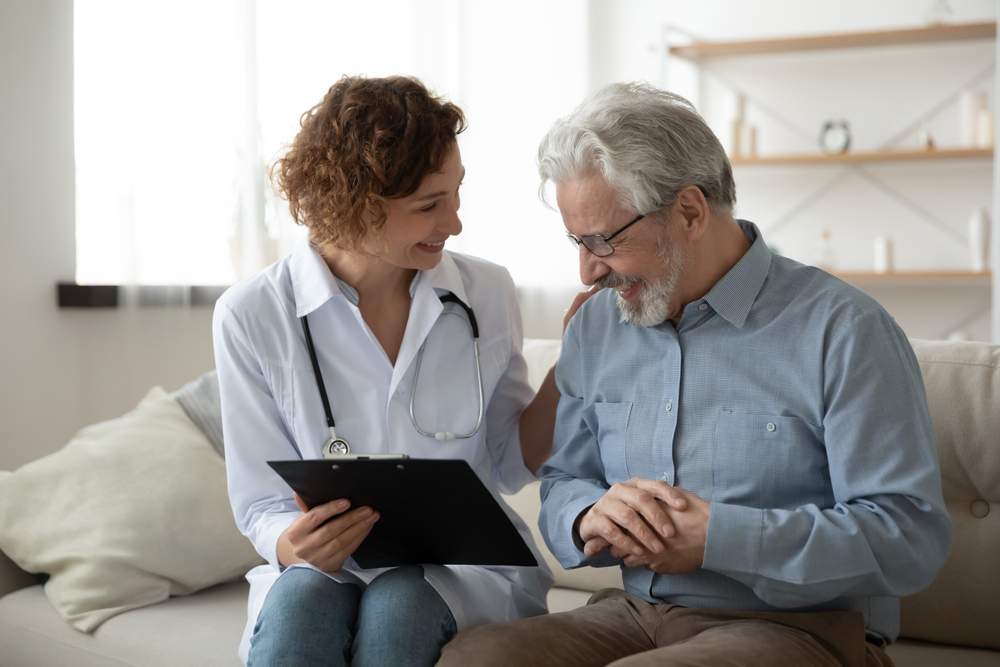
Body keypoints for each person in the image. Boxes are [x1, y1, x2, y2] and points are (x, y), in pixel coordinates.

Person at [436, 82, 953, 667]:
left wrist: (721, 538)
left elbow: (911, 538)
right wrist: (588, 515)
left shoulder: (845, 330)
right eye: (577, 241)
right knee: (470, 659)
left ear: (688, 211)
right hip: (633, 614)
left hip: (799, 628)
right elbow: (562, 481)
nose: (585, 271)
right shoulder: (596, 327)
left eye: (604, 240)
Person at [213, 75, 584, 667]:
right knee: (303, 601)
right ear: (355, 205)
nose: (455, 222)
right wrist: (291, 541)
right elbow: (261, 503)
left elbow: (511, 462)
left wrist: (574, 363)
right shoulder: (253, 314)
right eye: (429, 206)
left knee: (399, 604)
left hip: (465, 569)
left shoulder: (484, 292)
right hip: (328, 568)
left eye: (456, 193)